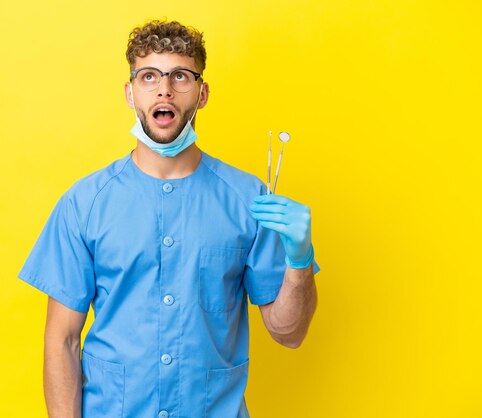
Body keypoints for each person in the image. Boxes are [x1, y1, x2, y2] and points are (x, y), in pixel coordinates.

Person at [18, 19, 320, 418]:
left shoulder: (249, 200)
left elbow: (290, 333)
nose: (164, 89)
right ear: (130, 93)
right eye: (148, 77)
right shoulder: (85, 203)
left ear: (202, 92)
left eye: (180, 76)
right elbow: (62, 341)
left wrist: (299, 262)